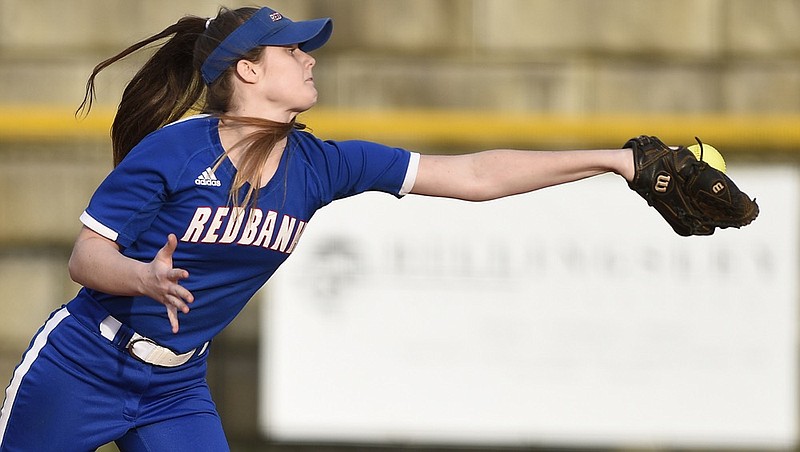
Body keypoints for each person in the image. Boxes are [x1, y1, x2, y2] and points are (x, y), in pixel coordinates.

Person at [0, 5, 635, 451]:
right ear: (247, 70)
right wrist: (143, 276)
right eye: (292, 49)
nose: (309, 60)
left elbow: (473, 175)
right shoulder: (179, 150)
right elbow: (86, 258)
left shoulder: (321, 163)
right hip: (83, 362)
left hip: (175, 384)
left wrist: (613, 160)